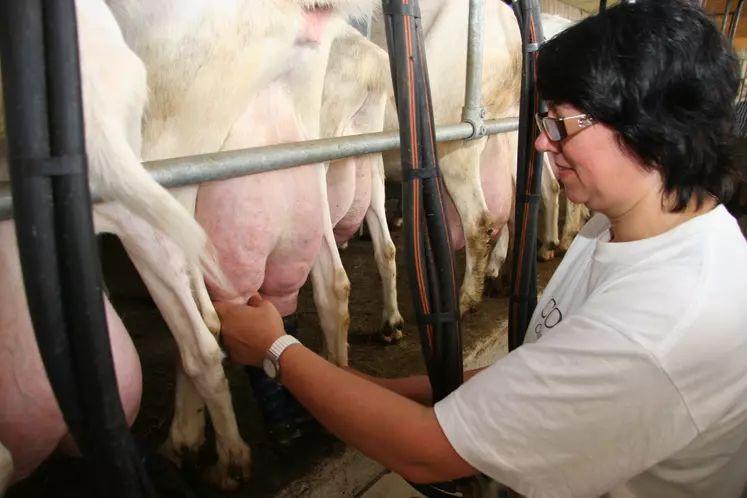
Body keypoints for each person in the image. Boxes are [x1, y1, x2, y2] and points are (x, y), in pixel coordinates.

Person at [214, 1, 747, 496]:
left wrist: (277, 351)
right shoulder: (627, 227)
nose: (541, 141)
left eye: (562, 123)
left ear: (654, 130)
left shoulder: (659, 325)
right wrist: (385, 385)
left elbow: (426, 453)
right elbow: (547, 374)